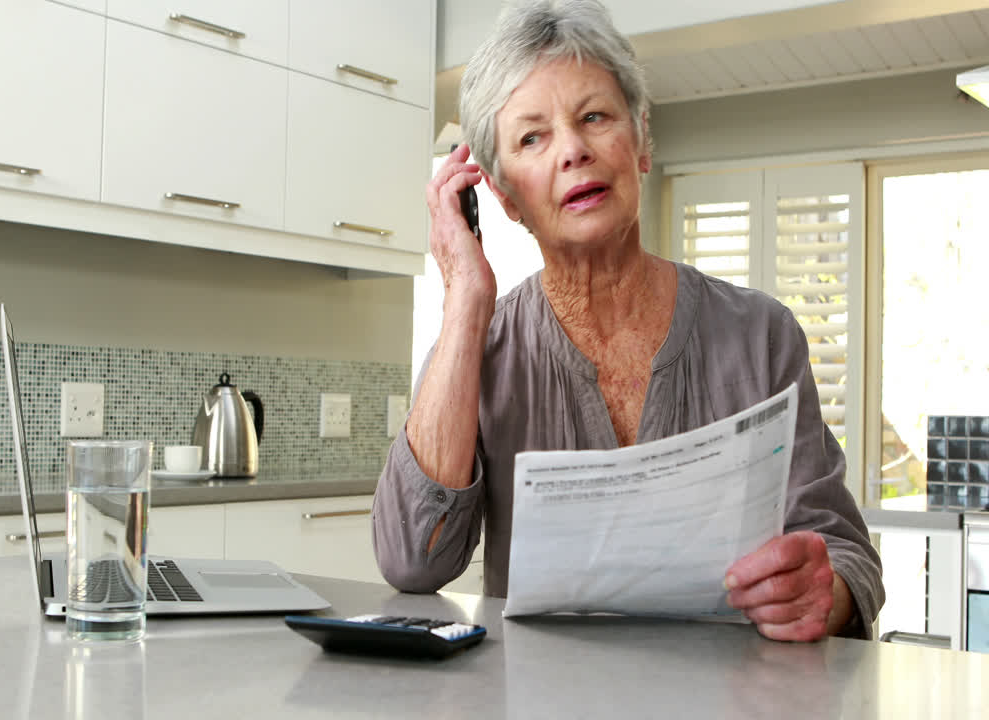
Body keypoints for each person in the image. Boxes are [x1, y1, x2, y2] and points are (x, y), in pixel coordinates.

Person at [372, 0, 883, 642]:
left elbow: (846, 554)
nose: (574, 151)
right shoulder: (479, 348)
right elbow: (413, 561)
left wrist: (821, 592)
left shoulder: (763, 334)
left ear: (641, 142)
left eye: (594, 117)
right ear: (500, 196)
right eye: (533, 137)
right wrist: (465, 300)